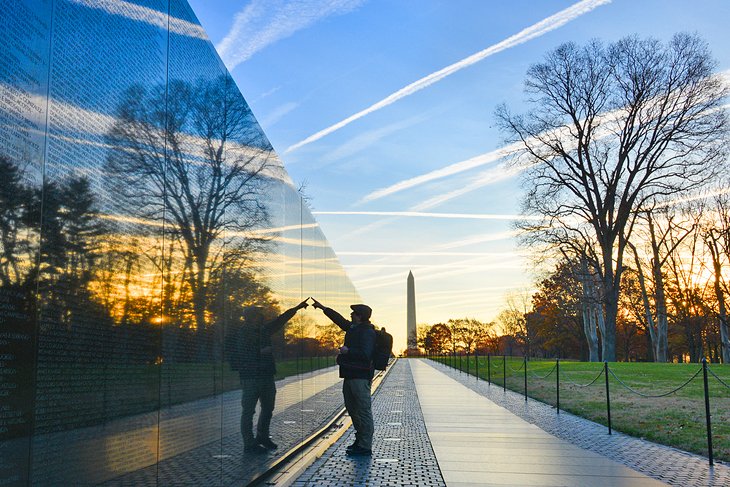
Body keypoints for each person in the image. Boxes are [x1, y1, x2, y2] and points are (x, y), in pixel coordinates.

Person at [230, 300, 309, 454]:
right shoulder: (242, 333)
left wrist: (296, 308)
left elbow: (280, 320)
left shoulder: (263, 330)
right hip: (251, 377)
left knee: (268, 408)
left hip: (266, 376)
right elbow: (240, 355)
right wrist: (260, 352)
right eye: (258, 315)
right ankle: (249, 443)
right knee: (248, 411)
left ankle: (262, 437)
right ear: (250, 317)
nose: (261, 316)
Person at [311, 298, 376, 456]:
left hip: (360, 377)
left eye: (354, 313)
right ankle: (359, 440)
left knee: (363, 410)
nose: (351, 315)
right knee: (352, 409)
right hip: (350, 375)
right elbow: (339, 320)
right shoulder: (354, 328)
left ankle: (365, 446)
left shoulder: (367, 332)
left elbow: (366, 354)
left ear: (360, 316)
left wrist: (348, 351)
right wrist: (323, 308)